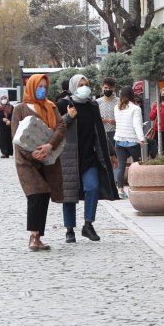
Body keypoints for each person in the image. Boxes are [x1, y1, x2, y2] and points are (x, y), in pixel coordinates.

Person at [57, 74, 118, 243]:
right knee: (69, 194)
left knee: (92, 187)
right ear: (73, 86)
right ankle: (69, 229)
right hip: (69, 157)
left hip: (89, 156)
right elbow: (54, 127)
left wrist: (111, 152)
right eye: (81, 84)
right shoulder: (63, 104)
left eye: (87, 84)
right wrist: (68, 116)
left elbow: (100, 131)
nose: (85, 87)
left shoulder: (92, 106)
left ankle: (88, 225)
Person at [11, 73, 66, 251]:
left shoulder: (51, 107)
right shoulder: (20, 108)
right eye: (39, 87)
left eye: (45, 87)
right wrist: (33, 153)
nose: (42, 90)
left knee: (44, 196)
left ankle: (38, 236)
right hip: (27, 162)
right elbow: (16, 136)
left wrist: (49, 146)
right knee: (35, 194)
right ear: (32, 87)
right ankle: (33, 236)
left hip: (48, 160)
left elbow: (60, 127)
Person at [113, 87, 145, 199]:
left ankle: (120, 190)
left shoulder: (117, 107)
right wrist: (141, 138)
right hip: (132, 141)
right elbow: (137, 124)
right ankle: (136, 187)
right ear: (132, 95)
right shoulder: (136, 108)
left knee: (121, 166)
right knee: (136, 165)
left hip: (119, 140)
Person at [97, 77, 119, 147]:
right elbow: (94, 118)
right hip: (102, 132)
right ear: (102, 87)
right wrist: (101, 120)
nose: (108, 90)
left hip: (117, 132)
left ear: (114, 88)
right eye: (106, 87)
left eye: (110, 88)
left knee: (116, 155)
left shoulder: (119, 101)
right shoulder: (97, 102)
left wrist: (116, 121)